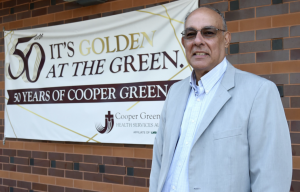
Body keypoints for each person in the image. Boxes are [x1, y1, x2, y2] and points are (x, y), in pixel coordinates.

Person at [149, 6, 292, 192]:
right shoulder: (175, 92)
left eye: (208, 32)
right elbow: (159, 162)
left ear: (226, 39)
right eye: (191, 34)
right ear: (184, 42)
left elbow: (271, 179)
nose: (198, 41)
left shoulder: (259, 92)